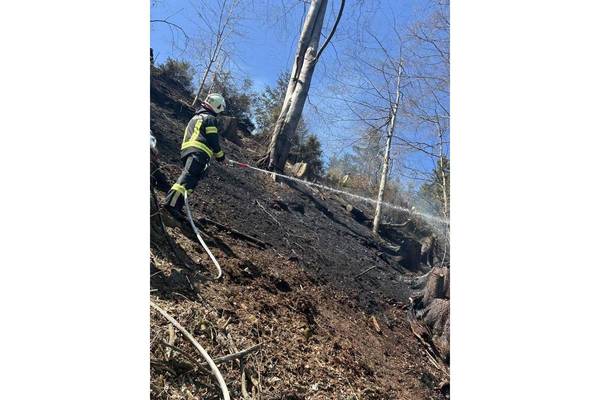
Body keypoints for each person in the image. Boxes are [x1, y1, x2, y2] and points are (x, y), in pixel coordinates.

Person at [162, 93, 226, 218]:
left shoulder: (197, 117)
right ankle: (170, 204)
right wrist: (220, 155)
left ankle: (177, 206)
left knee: (190, 181)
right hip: (198, 152)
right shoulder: (209, 118)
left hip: (189, 151)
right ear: (217, 106)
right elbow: (213, 138)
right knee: (187, 178)